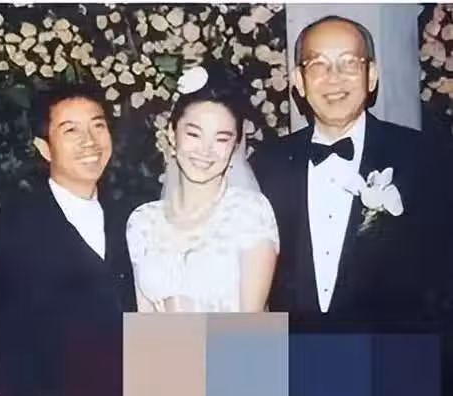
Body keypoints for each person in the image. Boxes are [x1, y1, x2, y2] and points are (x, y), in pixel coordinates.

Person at [250, 15, 453, 331]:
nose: (334, 78)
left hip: (391, 354)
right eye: (319, 65)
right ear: (299, 81)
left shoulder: (425, 157)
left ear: (371, 76)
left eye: (349, 63)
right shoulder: (266, 164)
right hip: (291, 355)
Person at [0, 83, 136, 396]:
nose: (89, 141)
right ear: (44, 147)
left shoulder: (133, 216)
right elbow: (5, 342)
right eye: (71, 130)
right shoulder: (16, 227)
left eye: (97, 126)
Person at [127, 62, 279, 313]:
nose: (205, 151)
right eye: (194, 134)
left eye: (221, 139)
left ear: (235, 145)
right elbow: (141, 324)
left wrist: (181, 321)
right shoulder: (142, 221)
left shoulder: (250, 212)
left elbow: (253, 331)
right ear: (172, 134)